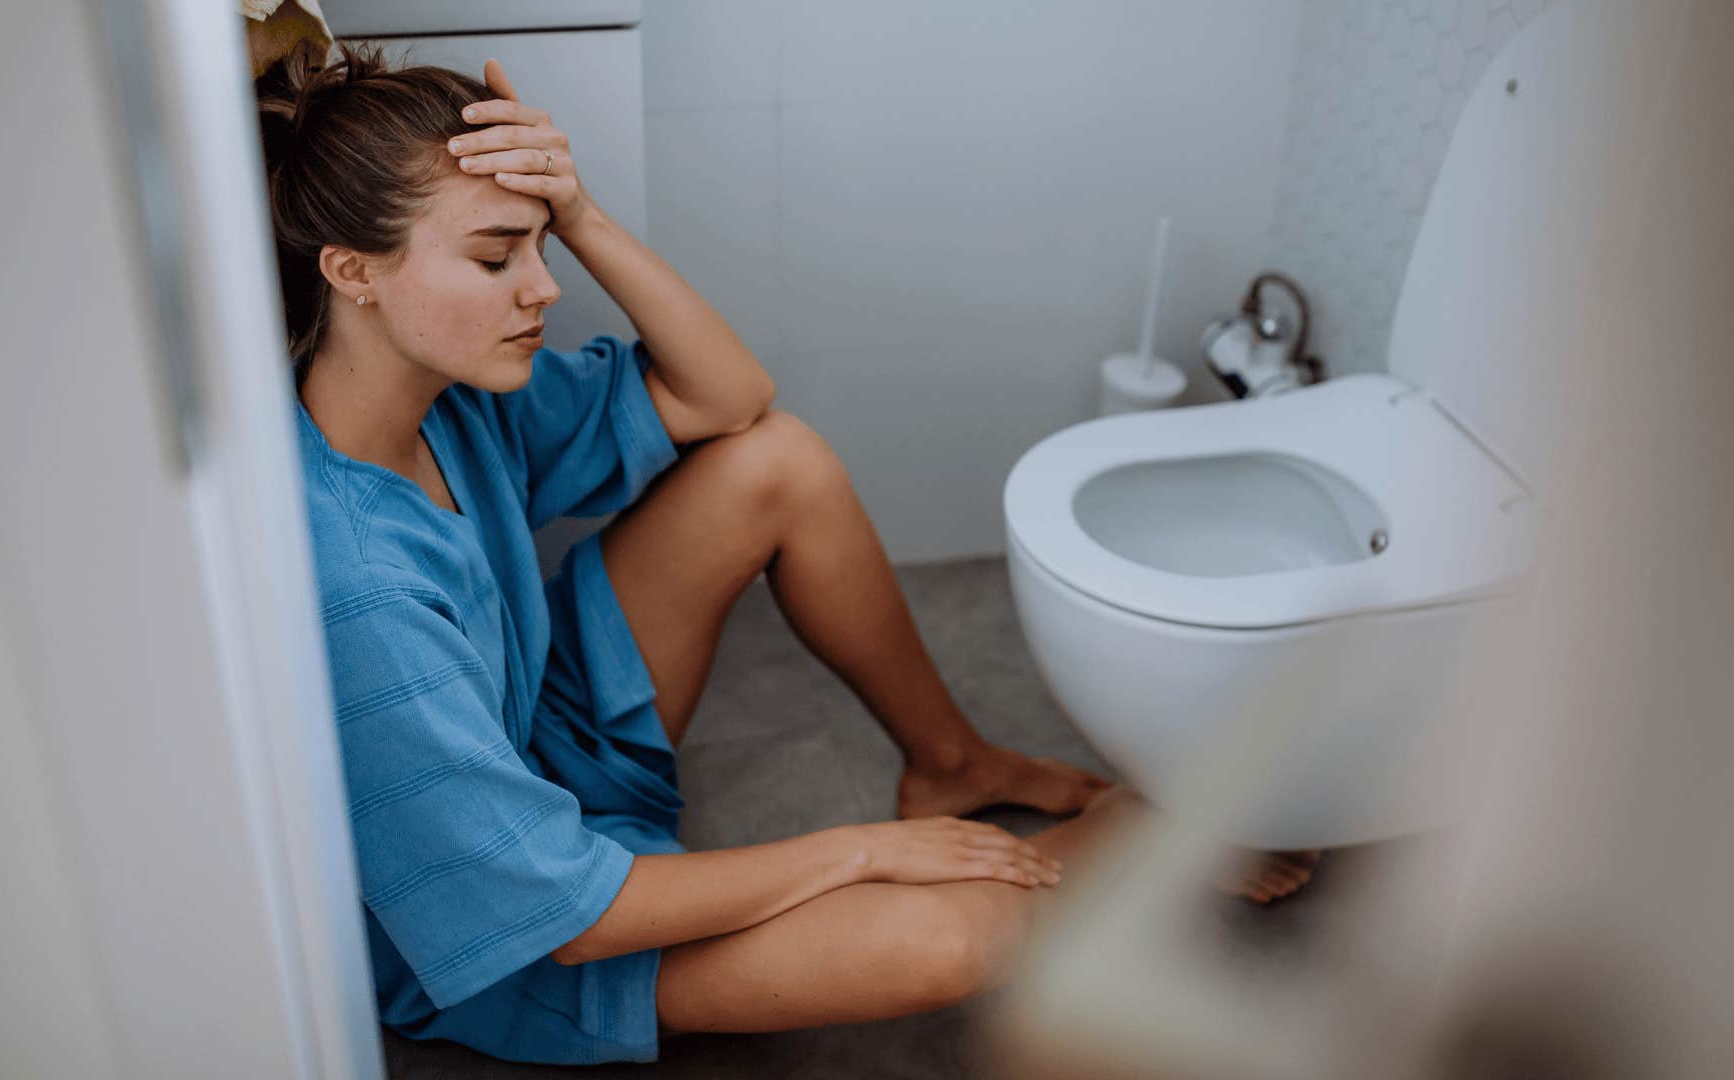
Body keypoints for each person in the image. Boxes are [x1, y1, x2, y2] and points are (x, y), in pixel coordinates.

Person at [258, 41, 1314, 1066]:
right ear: (352, 272)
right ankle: (1095, 852)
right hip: (517, 937)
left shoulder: (446, 403)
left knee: (777, 460)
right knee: (959, 936)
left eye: (541, 247)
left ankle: (953, 765)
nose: (541, 288)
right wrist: (855, 851)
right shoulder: (356, 586)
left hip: (537, 742)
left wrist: (582, 214)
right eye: (497, 257)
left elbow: (729, 396)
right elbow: (567, 914)